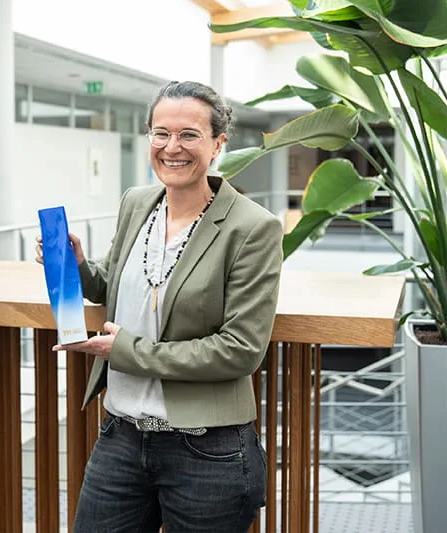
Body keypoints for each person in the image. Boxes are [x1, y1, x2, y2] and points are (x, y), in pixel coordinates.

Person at [37, 80, 282, 533]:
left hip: (207, 449)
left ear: (218, 143)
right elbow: (117, 286)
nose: (173, 147)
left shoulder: (253, 228)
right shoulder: (137, 202)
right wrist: (79, 268)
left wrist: (126, 351)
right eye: (160, 133)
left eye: (189, 134)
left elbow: (241, 349)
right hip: (122, 435)